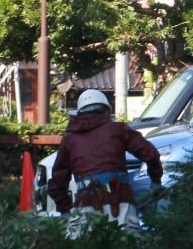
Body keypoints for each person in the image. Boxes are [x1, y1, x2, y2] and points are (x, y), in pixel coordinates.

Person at [48, 89, 163, 228]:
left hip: (85, 203)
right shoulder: (118, 129)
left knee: (85, 248)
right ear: (107, 111)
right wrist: (155, 182)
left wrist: (65, 209)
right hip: (121, 201)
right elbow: (151, 154)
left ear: (80, 113)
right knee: (127, 246)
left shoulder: (70, 139)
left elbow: (57, 183)